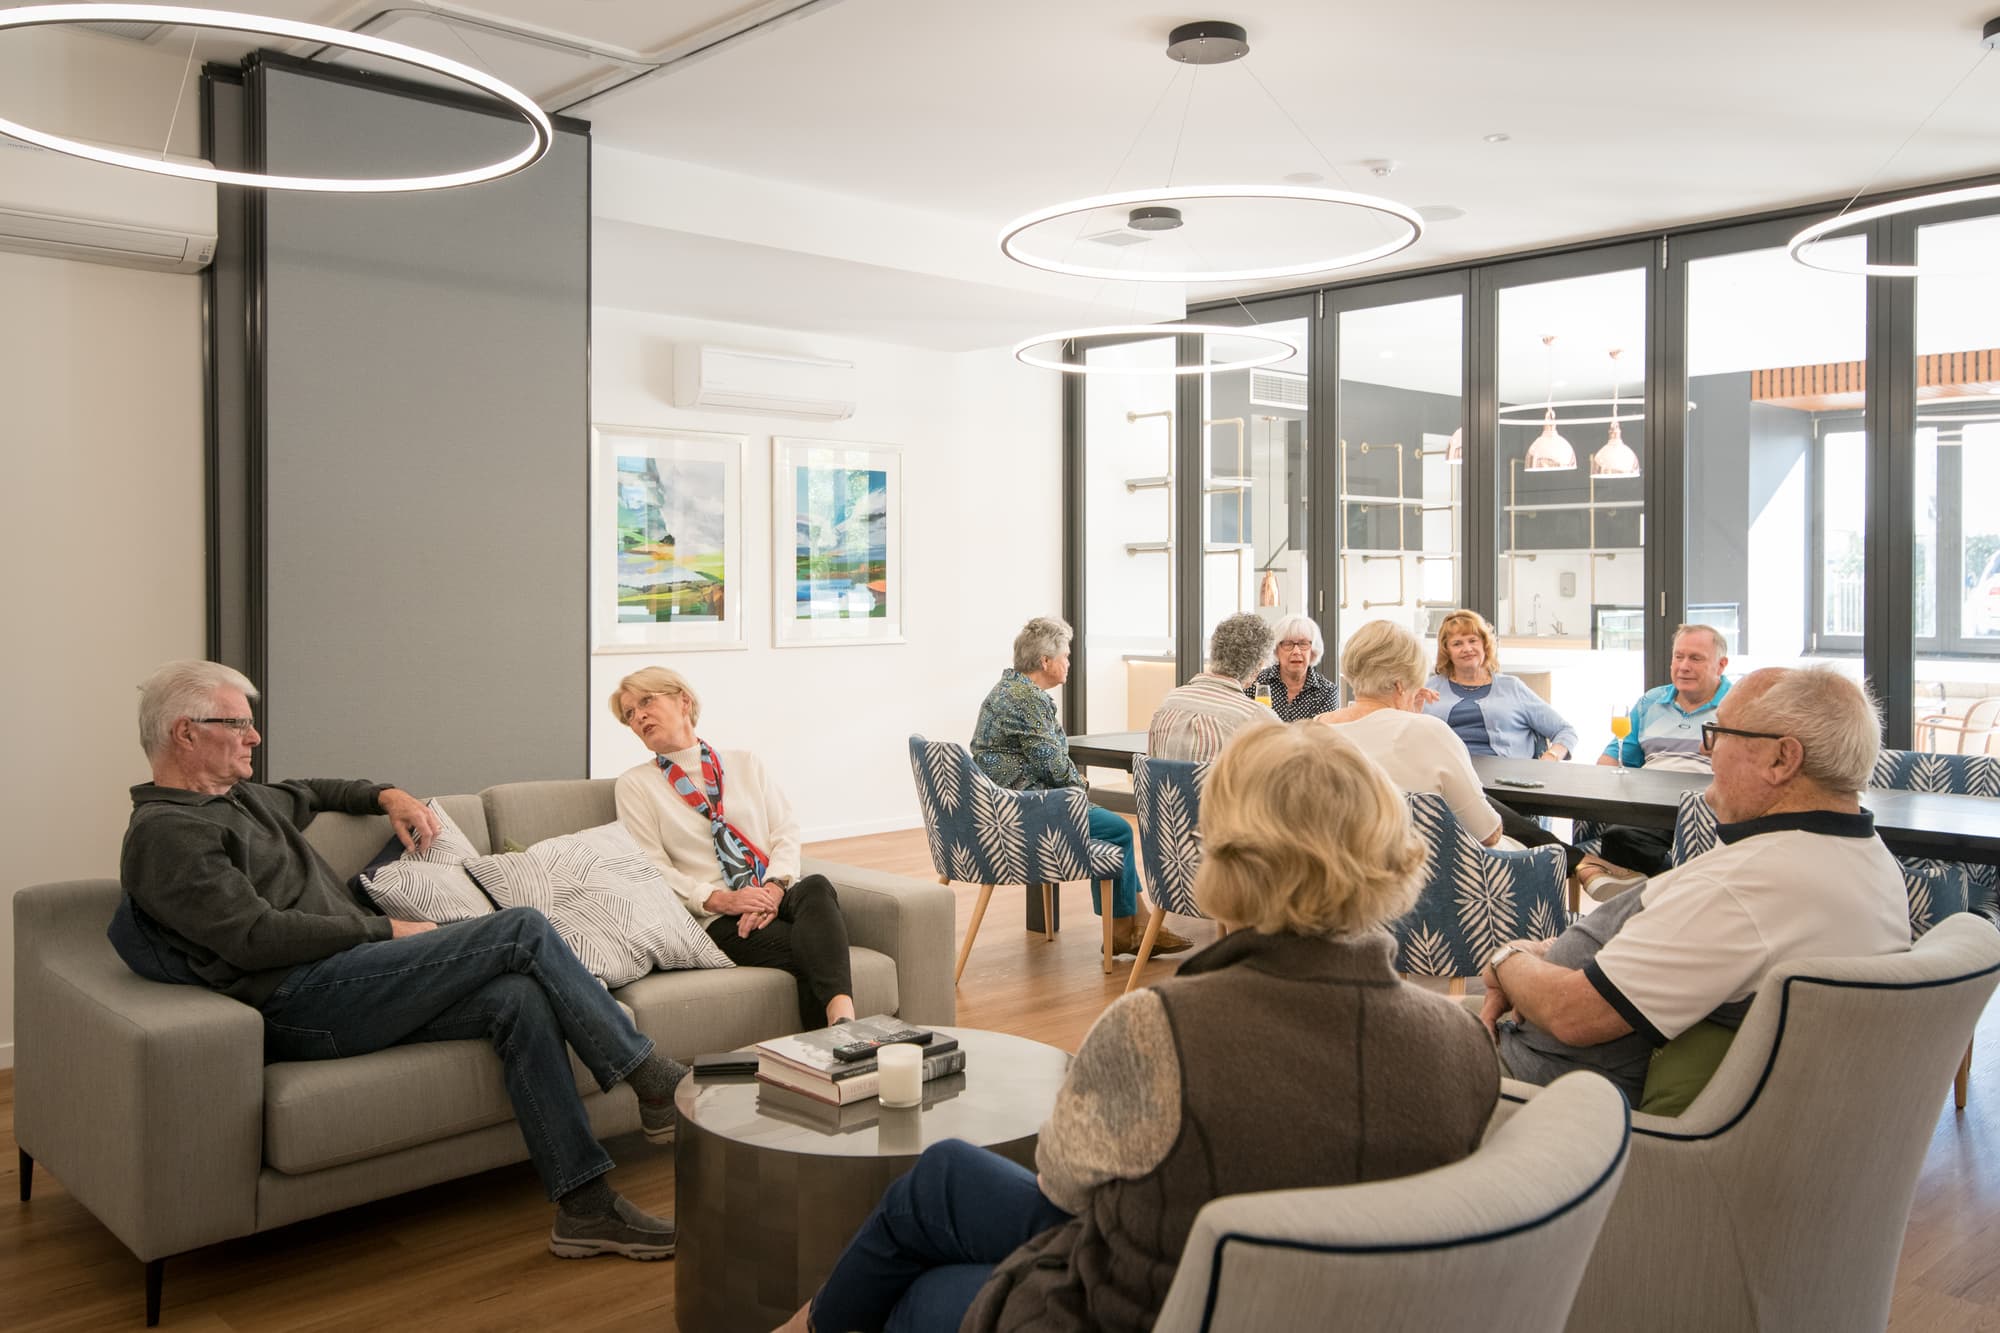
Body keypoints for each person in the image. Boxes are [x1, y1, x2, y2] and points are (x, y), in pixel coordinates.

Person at [781, 724, 1500, 1333]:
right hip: (1313, 1301)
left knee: (918, 1290)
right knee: (942, 1174)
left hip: (1151, 1303)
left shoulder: (1162, 1027)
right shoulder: (1463, 1043)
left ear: (1226, 854)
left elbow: (1063, 1183)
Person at [116, 661, 683, 1260]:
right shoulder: (167, 833)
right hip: (297, 1002)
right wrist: (384, 928)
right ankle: (650, 1080)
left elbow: (315, 792)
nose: (255, 738)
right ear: (185, 733)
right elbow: (252, 938)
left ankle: (585, 1208)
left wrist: (389, 795)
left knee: (519, 998)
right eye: (238, 725)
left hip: (351, 980)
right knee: (521, 929)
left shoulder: (240, 798)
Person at [1479, 665, 1909, 1103]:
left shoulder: (1746, 888)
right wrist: (1546, 955)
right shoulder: (1868, 861)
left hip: (1540, 1095)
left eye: (1719, 734)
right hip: (1548, 1049)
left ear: (1782, 759)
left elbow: (1572, 1015)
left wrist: (1507, 958)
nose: (1707, 754)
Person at [611, 666, 857, 1030]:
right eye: (630, 714)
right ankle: (842, 1033)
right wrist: (721, 900)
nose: (639, 716)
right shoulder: (636, 785)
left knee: (817, 885)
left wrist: (774, 890)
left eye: (646, 701)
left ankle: (841, 1024)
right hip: (715, 916)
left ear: (684, 701)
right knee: (809, 948)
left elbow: (785, 831)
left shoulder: (745, 762)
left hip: (770, 889)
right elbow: (651, 868)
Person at [972, 615, 1190, 958]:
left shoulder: (1007, 690)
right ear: (1046, 661)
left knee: (1111, 828)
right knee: (1117, 828)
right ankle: (1126, 929)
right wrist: (1082, 785)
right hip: (1025, 811)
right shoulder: (1028, 700)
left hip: (1006, 805)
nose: (1069, 663)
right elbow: (1054, 765)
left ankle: (1138, 925)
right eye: (1066, 656)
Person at [1314, 620, 1511, 848]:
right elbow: (1487, 833)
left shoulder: (1310, 731)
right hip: (1418, 876)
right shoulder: (1429, 732)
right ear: (1400, 685)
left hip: (1336, 873)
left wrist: (1408, 714)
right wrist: (1413, 719)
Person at [1578, 624, 1734, 895]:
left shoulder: (1738, 703)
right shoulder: (1651, 701)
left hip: (1705, 809)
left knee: (1621, 842)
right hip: (1648, 806)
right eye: (1678, 657)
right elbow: (1615, 755)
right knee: (1618, 837)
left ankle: (1659, 894)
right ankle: (1668, 894)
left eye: (1695, 658)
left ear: (1721, 665)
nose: (1683, 666)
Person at [1421, 608, 1576, 849]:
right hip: (1452, 780)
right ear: (1446, 651)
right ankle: (1572, 858)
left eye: (1473, 640)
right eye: (1457, 643)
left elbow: (1565, 730)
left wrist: (1551, 756)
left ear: (1485, 645)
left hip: (1506, 785)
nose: (1467, 648)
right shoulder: (1430, 688)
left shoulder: (1511, 687)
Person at [1146, 612, 1279, 762]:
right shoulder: (1258, 718)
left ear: (1215, 652)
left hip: (1168, 785)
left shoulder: (1168, 703)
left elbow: (1152, 765)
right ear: (1258, 666)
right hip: (1219, 786)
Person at [1246, 612, 1339, 721]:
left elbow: (1322, 735)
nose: (1296, 651)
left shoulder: (1327, 691)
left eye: (1303, 644)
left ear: (1313, 651)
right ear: (1276, 650)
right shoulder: (1255, 683)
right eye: (1287, 644)